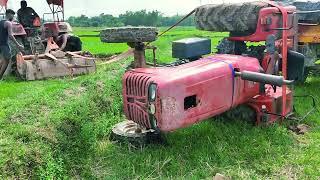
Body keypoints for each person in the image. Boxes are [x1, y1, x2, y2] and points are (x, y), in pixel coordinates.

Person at [0, 9, 24, 79]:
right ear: (9, 14)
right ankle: (0, 77)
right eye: (13, 15)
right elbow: (10, 35)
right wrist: (18, 45)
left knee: (2, 59)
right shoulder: (8, 23)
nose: (13, 17)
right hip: (4, 44)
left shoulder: (0, 22)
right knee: (7, 60)